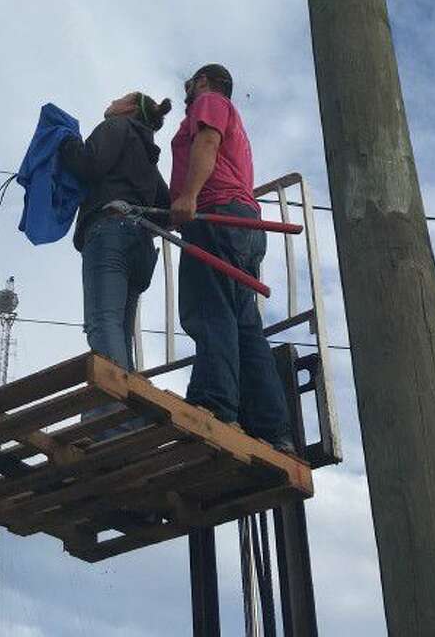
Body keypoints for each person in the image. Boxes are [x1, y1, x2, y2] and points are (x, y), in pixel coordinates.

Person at [170, 64, 295, 452]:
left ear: (205, 82)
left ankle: (214, 404)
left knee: (211, 310)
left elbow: (206, 144)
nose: (187, 88)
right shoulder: (231, 117)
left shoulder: (209, 102)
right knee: (244, 323)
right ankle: (273, 430)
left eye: (191, 81)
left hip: (215, 214)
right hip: (242, 223)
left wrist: (189, 197)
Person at [58, 90, 172, 373]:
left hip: (110, 231)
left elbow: (90, 164)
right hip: (140, 244)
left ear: (129, 108)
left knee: (103, 324)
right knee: (121, 332)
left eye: (118, 99)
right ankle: (130, 410)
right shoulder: (148, 159)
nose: (110, 102)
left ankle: (117, 409)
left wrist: (66, 143)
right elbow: (167, 208)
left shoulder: (116, 126)